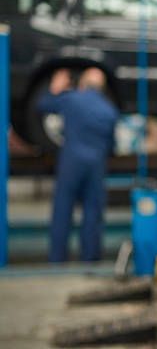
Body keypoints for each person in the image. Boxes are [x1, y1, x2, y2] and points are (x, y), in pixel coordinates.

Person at [37, 67, 119, 262]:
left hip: (71, 164)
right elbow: (112, 146)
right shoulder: (109, 110)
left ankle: (57, 259)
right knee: (93, 212)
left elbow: (43, 105)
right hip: (96, 165)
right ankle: (90, 259)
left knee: (63, 211)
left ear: (82, 84)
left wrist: (55, 88)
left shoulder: (71, 99)